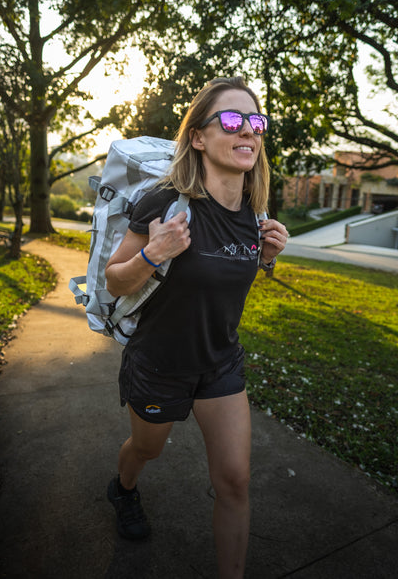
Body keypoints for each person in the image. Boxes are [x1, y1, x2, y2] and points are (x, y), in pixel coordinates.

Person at [105, 76, 288, 579]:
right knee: (147, 449)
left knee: (234, 483)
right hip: (159, 365)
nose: (247, 129)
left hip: (220, 364)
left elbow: (222, 284)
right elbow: (116, 281)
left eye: (256, 121)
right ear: (199, 138)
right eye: (231, 120)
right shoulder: (165, 204)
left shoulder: (255, 216)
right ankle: (122, 489)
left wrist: (266, 258)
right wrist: (152, 253)